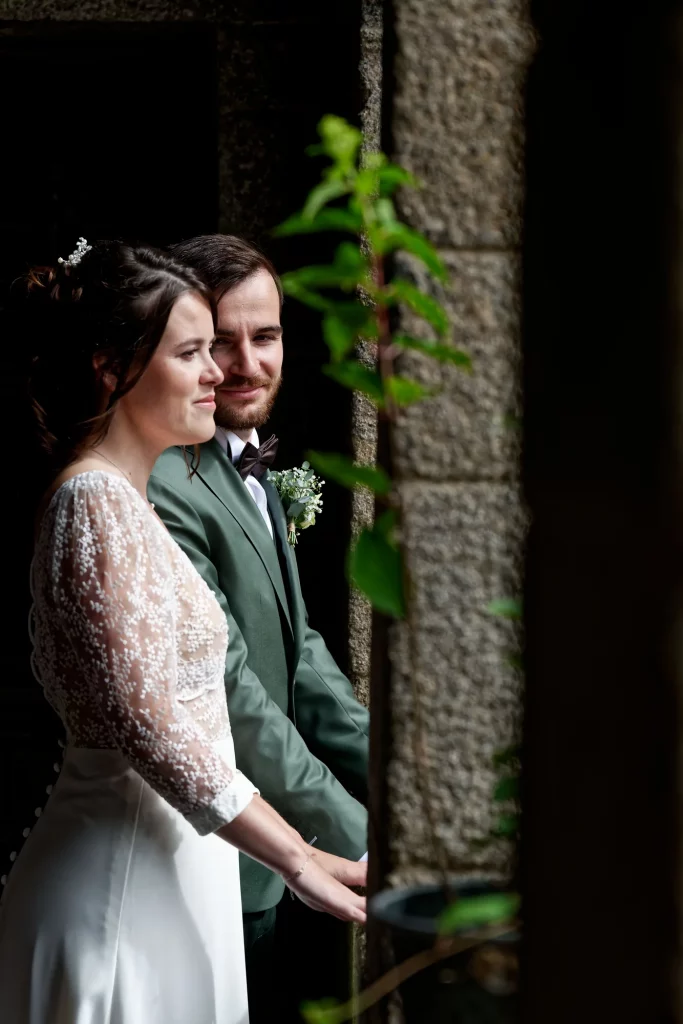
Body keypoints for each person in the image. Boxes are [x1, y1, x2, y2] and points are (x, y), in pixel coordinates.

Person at [0, 238, 365, 1024]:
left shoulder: (124, 500)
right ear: (112, 368)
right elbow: (150, 725)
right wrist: (299, 857)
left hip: (182, 870)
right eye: (192, 352)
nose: (216, 374)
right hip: (122, 884)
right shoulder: (93, 504)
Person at [148, 234, 370, 1021]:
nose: (245, 364)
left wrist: (383, 770)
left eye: (265, 337)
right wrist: (356, 833)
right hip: (213, 849)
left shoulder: (249, 465)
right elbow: (231, 686)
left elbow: (299, 651)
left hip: (277, 853)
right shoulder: (164, 483)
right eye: (220, 342)